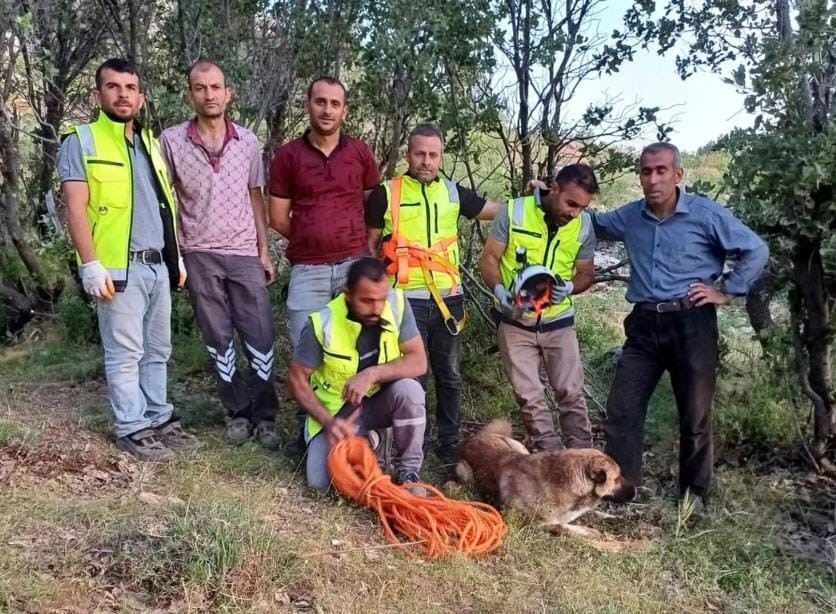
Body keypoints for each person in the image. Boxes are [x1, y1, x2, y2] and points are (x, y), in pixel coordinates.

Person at [593, 142, 769, 509]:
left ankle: (694, 497)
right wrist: (548, 194)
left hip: (691, 323)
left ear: (678, 174)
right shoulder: (631, 216)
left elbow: (755, 249)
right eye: (645, 171)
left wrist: (727, 291)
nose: (653, 179)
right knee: (623, 409)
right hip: (643, 324)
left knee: (694, 416)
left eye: (661, 170)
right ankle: (623, 493)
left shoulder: (704, 214)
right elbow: (590, 222)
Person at [58, 58, 199, 461]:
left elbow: (164, 205)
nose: (123, 94)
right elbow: (75, 208)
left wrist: (177, 258)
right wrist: (90, 263)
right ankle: (132, 427)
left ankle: (157, 416)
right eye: (113, 86)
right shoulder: (81, 140)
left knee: (158, 350)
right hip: (118, 268)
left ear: (141, 97)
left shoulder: (149, 143)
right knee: (125, 353)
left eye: (130, 87)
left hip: (158, 265)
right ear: (97, 94)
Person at [159, 59, 280, 449]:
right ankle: (237, 413)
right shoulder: (171, 141)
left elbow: (255, 196)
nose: (209, 94)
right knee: (218, 338)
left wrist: (264, 250)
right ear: (190, 93)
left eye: (216, 87)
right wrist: (175, 254)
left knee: (260, 335)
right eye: (200, 87)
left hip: (244, 251)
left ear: (228, 93)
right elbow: (167, 199)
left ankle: (266, 417)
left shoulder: (247, 141)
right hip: (197, 252)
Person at [366, 123, 500, 467]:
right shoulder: (386, 193)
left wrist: (539, 199)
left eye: (433, 154)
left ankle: (450, 445)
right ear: (408, 154)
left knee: (450, 374)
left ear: (441, 156)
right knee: (412, 376)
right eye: (419, 154)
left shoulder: (454, 194)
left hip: (448, 299)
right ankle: (414, 443)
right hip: (404, 300)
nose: (426, 161)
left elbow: (499, 211)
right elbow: (369, 248)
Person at [269, 76, 381, 454]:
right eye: (320, 101)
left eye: (335, 103)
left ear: (344, 111)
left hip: (354, 267)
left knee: (356, 349)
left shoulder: (360, 154)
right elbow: (278, 217)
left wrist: (363, 247)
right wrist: (310, 237)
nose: (327, 109)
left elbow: (373, 208)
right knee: (308, 352)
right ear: (308, 105)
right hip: (308, 271)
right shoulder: (288, 157)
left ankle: (357, 432)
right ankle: (310, 434)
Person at [480, 164, 598, 452]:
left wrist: (569, 287)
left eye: (581, 207)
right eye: (570, 203)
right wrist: (499, 291)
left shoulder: (583, 225)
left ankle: (583, 458)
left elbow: (586, 272)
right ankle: (552, 459)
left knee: (571, 392)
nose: (574, 213)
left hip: (558, 321)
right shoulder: (514, 211)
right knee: (529, 396)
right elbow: (489, 259)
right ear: (554, 188)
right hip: (515, 321)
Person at [287, 257, 428, 491]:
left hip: (381, 402)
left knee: (410, 390)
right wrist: (328, 422)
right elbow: (296, 378)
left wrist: (373, 373)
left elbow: (419, 361)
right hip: (337, 414)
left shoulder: (396, 304)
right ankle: (372, 442)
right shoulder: (323, 322)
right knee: (321, 484)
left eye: (381, 299)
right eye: (367, 301)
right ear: (348, 295)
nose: (376, 309)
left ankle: (409, 473)